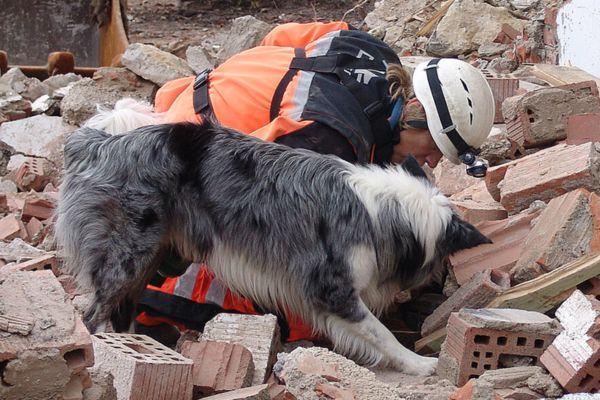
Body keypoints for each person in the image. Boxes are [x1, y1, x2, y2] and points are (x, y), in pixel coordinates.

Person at [98, 21, 494, 343]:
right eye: (438, 147)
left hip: (195, 100)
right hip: (178, 174)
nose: (435, 161)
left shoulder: (361, 45)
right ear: (414, 112)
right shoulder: (323, 139)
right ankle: (162, 300)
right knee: (306, 315)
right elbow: (235, 202)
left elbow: (275, 39)